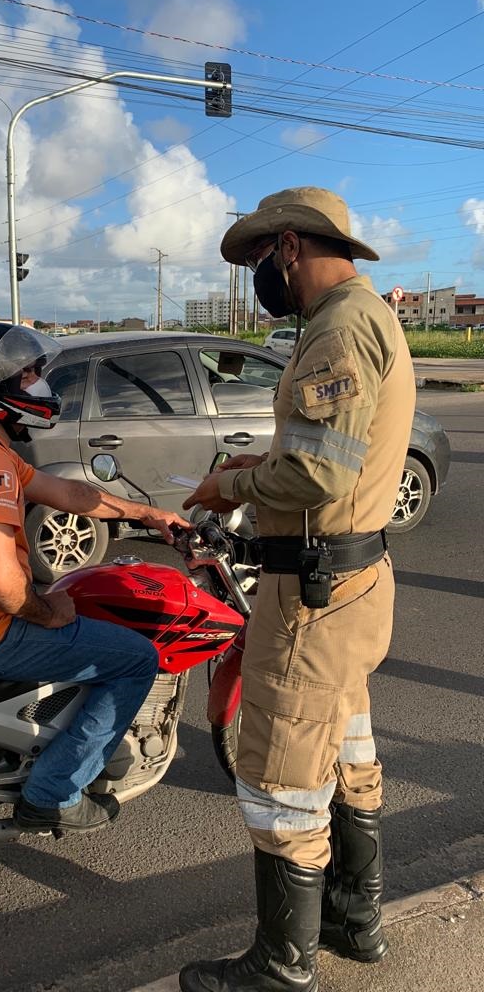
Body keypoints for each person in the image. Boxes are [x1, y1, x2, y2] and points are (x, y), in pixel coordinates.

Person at [178, 187, 416, 992]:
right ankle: (357, 918)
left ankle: (282, 967)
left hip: (317, 595)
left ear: (287, 247)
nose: (256, 279)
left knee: (283, 774)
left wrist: (230, 485)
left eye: (255, 263)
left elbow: (317, 469)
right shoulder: (371, 316)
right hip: (351, 582)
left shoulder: (339, 328)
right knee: (346, 753)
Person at [0, 321, 189, 836]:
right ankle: (54, 793)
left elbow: (68, 494)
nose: (42, 385)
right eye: (28, 377)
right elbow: (1, 583)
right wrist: (47, 612)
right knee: (137, 658)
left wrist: (146, 514)